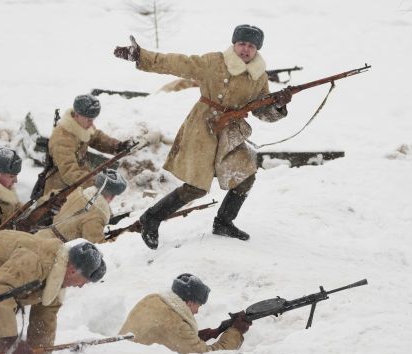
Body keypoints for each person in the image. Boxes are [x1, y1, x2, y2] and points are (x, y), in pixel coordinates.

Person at [114, 25, 292, 248]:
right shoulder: (214, 62)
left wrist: (278, 104)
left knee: (246, 176)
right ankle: (151, 218)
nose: (245, 49)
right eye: (242, 44)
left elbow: (261, 112)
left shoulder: (259, 76)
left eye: (251, 46)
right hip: (203, 127)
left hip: (230, 132)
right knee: (196, 187)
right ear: (234, 44)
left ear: (257, 49)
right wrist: (141, 56)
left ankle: (224, 222)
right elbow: (178, 62)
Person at [119, 273, 251, 354]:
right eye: (198, 306)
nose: (197, 311)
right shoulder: (178, 326)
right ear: (189, 303)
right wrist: (235, 332)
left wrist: (199, 336)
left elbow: (162, 335)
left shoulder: (151, 300)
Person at [43, 94, 132, 197]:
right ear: (76, 115)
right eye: (89, 120)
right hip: (61, 191)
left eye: (92, 120)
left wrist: (117, 146)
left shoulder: (82, 125)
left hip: (81, 181)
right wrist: (95, 182)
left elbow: (97, 137)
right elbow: (69, 172)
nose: (91, 124)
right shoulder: (62, 139)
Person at [36, 169, 127, 243]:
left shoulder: (78, 192)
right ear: (112, 196)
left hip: (41, 236)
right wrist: (120, 239)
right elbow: (99, 246)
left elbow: (44, 200)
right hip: (52, 249)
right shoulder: (96, 215)